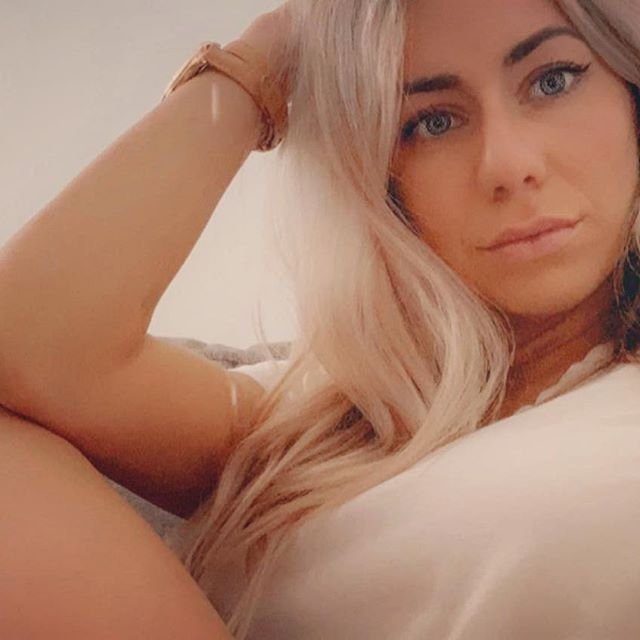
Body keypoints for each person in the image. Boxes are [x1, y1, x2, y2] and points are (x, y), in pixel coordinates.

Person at [0, 0, 639, 638]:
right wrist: (268, 55)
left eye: (553, 81)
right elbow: (31, 341)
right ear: (387, 181)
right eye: (434, 121)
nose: (507, 165)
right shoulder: (325, 417)